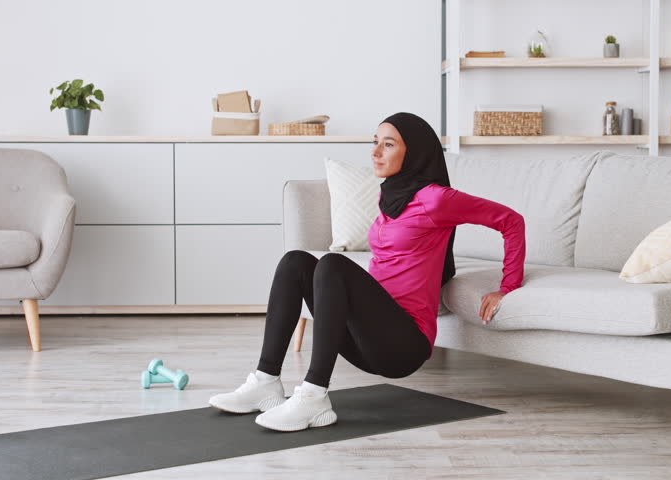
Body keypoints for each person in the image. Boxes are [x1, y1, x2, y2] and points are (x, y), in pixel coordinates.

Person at [208, 112, 526, 432]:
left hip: (404, 346)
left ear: (413, 152)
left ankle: (314, 397)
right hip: (368, 337)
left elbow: (511, 221)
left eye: (388, 145)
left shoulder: (436, 199)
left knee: (333, 264)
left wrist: (506, 285)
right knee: (295, 261)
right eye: (375, 143)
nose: (375, 152)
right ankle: (266, 382)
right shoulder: (390, 193)